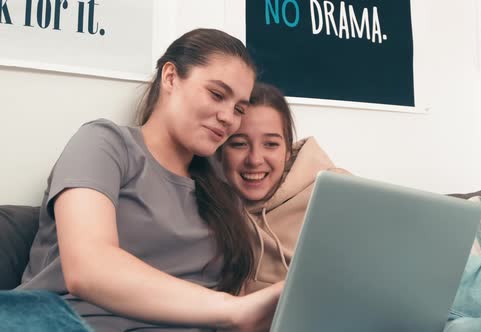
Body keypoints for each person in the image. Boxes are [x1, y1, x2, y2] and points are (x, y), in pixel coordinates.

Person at [218, 83, 481, 331]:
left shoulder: (330, 181)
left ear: (288, 147)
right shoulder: (217, 219)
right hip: (383, 318)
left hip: (457, 274)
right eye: (239, 144)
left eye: (270, 144)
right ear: (220, 147)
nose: (256, 160)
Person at [9, 29, 283, 332]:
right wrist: (232, 309)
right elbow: (88, 268)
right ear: (170, 77)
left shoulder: (220, 190)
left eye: (239, 109)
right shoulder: (105, 143)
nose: (227, 117)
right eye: (217, 95)